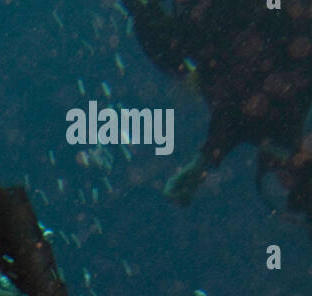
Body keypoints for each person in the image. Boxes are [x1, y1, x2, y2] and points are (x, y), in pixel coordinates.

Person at [123, 0, 312, 228]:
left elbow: (232, 123)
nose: (282, 182)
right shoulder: (286, 117)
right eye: (289, 182)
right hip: (221, 28)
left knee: (171, 55)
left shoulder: (268, 130)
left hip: (208, 32)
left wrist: (201, 164)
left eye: (282, 185)